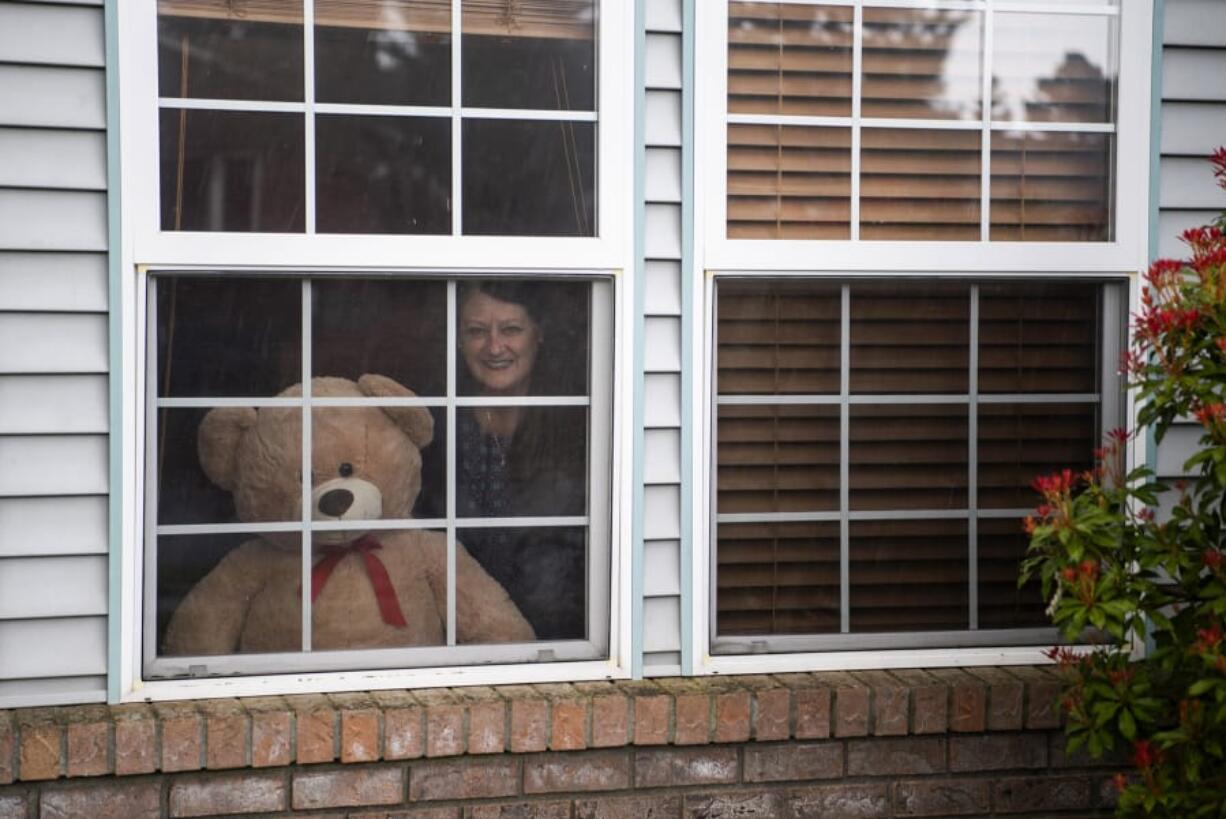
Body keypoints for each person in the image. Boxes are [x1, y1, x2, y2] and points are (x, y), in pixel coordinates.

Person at [445, 280, 588, 640]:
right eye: (477, 331)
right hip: (456, 629)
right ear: (459, 340)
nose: (494, 347)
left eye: (511, 329)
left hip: (561, 636)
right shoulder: (440, 426)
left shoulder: (577, 422)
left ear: (537, 334)